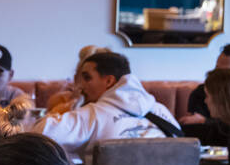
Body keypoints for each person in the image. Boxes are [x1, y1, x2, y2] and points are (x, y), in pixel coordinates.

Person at [33, 52, 179, 157]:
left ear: (109, 81)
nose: (80, 86)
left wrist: (70, 108)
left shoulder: (93, 114)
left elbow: (39, 134)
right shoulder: (160, 110)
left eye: (86, 78)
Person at [44, 45, 111, 114]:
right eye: (85, 77)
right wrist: (73, 103)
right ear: (76, 78)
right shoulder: (60, 100)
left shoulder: (113, 106)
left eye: (88, 78)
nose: (84, 85)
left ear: (109, 81)